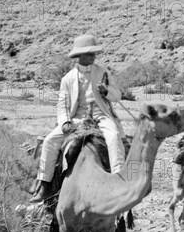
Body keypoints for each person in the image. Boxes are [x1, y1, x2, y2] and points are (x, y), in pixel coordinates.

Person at [30, 34, 125, 203]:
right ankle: (44, 185)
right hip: (77, 119)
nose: (93, 56)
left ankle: (119, 179)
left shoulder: (103, 73)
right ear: (79, 56)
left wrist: (106, 91)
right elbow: (62, 104)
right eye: (90, 53)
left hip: (101, 116)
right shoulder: (67, 79)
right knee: (50, 141)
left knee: (114, 136)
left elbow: (117, 95)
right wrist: (65, 121)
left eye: (94, 53)